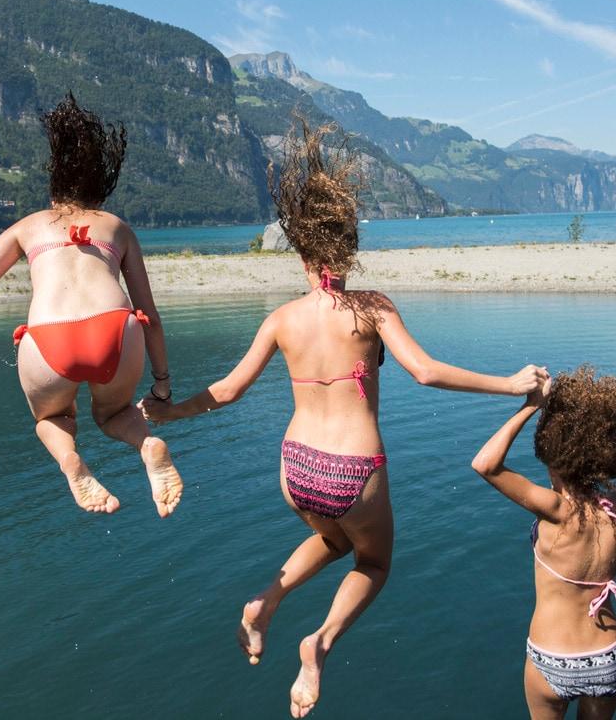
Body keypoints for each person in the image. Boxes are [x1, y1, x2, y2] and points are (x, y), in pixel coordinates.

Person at [141, 119, 547, 718]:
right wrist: (510, 384)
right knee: (374, 561)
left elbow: (226, 392)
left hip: (296, 469)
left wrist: (169, 413)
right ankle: (319, 642)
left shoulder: (282, 318)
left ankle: (264, 601)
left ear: (302, 253)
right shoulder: (373, 308)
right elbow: (427, 372)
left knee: (329, 538)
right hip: (354, 473)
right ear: (348, 249)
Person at [0, 93, 182, 517]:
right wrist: (162, 385)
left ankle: (70, 461)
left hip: (48, 342)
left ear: (54, 184)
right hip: (115, 333)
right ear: (100, 187)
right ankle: (147, 445)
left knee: (53, 420)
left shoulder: (26, 227)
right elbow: (149, 317)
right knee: (113, 412)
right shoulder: (118, 228)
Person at [472, 367, 616, 720]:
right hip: (606, 653)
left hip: (553, 655)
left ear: (554, 453)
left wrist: (532, 407)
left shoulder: (555, 510)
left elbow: (485, 464)